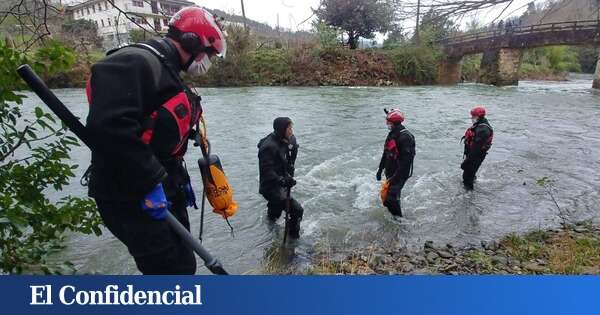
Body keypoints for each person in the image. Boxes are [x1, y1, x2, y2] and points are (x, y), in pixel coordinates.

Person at [84, 6, 229, 274]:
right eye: (208, 52)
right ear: (192, 41)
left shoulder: (167, 69)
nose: (207, 60)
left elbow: (158, 123)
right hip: (130, 192)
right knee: (170, 271)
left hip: (164, 184)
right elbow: (109, 127)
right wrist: (151, 181)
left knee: (184, 263)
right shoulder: (133, 63)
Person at [257, 117, 303, 239]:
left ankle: (270, 224)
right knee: (297, 210)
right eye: (289, 128)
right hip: (271, 187)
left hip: (281, 184)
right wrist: (282, 180)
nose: (291, 131)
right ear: (281, 129)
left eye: (291, 128)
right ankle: (293, 241)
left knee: (275, 212)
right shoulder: (268, 147)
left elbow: (290, 158)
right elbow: (267, 171)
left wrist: (289, 173)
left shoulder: (288, 140)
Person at [376, 109, 416, 218]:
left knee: (390, 198)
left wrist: (394, 178)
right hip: (391, 170)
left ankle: (400, 220)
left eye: (389, 122)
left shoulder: (405, 137)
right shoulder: (392, 134)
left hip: (400, 173)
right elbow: (386, 153)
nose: (387, 124)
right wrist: (380, 169)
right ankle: (395, 216)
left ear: (394, 123)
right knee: (387, 199)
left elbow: (406, 162)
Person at [461, 106, 494, 190]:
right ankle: (472, 183)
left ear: (479, 117)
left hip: (477, 155)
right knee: (470, 174)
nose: (471, 118)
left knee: (467, 177)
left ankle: (468, 197)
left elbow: (476, 149)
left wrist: (467, 161)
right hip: (473, 154)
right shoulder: (479, 124)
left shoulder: (483, 129)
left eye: (473, 116)